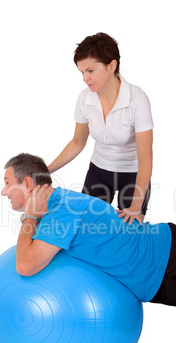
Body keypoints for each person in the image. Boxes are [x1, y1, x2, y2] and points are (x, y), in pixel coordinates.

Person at [1, 153, 176, 325]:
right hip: (167, 265)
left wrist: (29, 216)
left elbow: (25, 266)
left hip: (174, 263)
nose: (3, 191)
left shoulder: (60, 212)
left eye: (8, 182)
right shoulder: (57, 207)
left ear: (27, 183)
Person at [48, 32, 153, 225]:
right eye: (82, 72)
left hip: (133, 173)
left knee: (128, 231)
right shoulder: (84, 98)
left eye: (90, 71)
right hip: (99, 170)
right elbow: (77, 142)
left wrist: (136, 206)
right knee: (86, 227)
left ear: (111, 66)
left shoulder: (137, 99)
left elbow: (146, 159)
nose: (85, 78)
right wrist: (47, 170)